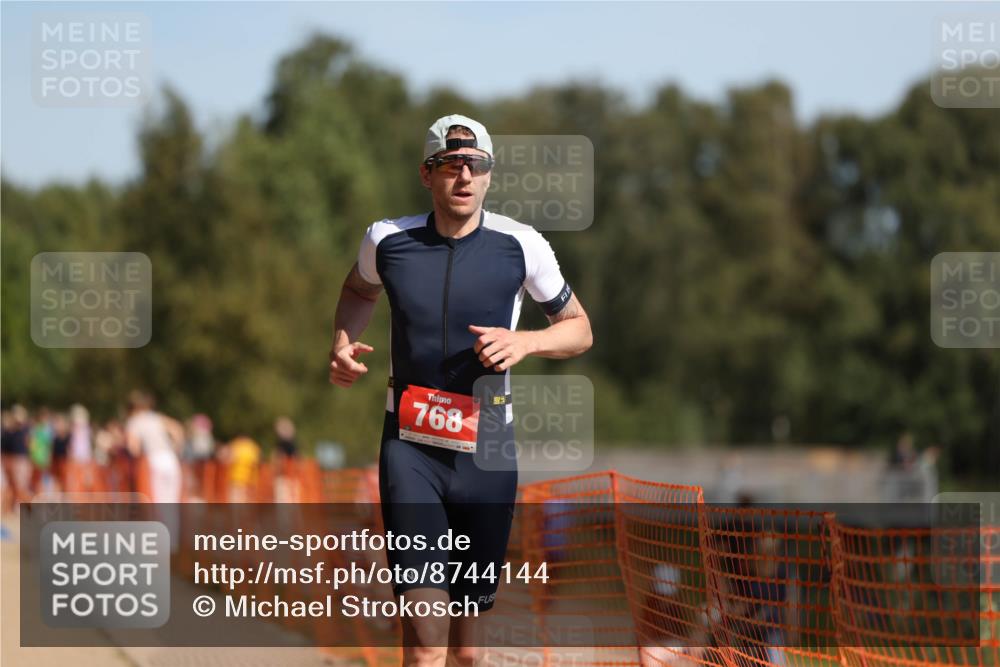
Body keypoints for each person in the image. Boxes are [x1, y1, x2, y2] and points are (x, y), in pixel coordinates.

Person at [328, 114, 592, 667]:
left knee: (467, 652)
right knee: (427, 638)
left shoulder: (522, 246)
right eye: (452, 165)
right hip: (411, 448)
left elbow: (579, 329)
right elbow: (358, 289)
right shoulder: (388, 240)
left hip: (488, 451)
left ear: (490, 176)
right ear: (427, 174)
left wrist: (525, 343)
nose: (465, 176)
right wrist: (343, 341)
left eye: (477, 165)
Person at [125, 390, 184, 503]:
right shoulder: (158, 418)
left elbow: (133, 448)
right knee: (172, 501)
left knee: (158, 500)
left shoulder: (134, 421)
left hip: (153, 459)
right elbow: (177, 430)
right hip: (171, 458)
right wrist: (176, 447)